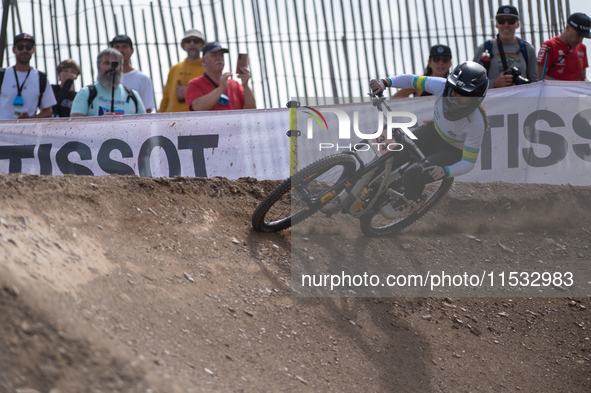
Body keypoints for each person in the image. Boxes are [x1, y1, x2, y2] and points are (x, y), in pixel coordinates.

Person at [324, 62, 488, 219]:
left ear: (475, 98)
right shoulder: (441, 85)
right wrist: (385, 82)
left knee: (413, 173)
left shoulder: (475, 124)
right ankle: (342, 197)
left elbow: (469, 162)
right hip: (433, 132)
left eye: (463, 96)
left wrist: (446, 171)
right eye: (454, 91)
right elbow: (412, 80)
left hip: (452, 151)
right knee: (386, 154)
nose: (454, 98)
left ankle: (409, 200)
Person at [473, 5, 538, 88]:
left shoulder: (528, 49)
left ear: (517, 24)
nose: (506, 25)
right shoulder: (484, 49)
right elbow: (473, 83)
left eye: (511, 21)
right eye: (501, 21)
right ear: (496, 24)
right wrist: (494, 83)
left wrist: (523, 84)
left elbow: (535, 83)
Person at [70, 48, 145, 116]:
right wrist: (102, 123)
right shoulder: (85, 93)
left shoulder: (133, 96)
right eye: (106, 63)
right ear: (98, 66)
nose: (111, 67)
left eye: (115, 64)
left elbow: (143, 124)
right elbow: (75, 124)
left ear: (121, 67)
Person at [185, 42, 256, 111]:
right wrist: (221, 88)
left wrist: (245, 85)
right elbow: (197, 107)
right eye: (214, 55)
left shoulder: (235, 84)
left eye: (221, 55)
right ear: (204, 60)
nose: (219, 58)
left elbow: (252, 109)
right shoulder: (195, 84)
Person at [0, 33, 56, 120]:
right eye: (20, 47)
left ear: (33, 50)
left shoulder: (41, 78)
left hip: (27, 132)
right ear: (13, 50)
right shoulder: (2, 75)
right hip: (2, 130)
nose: (24, 50)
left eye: (28, 47)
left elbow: (48, 111)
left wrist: (30, 119)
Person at [159, 29, 207, 112]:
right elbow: (166, 97)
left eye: (196, 41)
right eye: (188, 41)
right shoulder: (175, 68)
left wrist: (188, 93)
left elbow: (212, 97)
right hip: (170, 120)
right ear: (184, 45)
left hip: (195, 121)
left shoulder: (207, 70)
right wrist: (159, 118)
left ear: (202, 45)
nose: (192, 43)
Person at [537, 12, 590, 81]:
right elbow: (540, 75)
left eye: (583, 36)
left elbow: (583, 78)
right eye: (578, 35)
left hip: (576, 91)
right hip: (554, 91)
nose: (580, 40)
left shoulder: (582, 48)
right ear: (568, 27)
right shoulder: (549, 45)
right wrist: (564, 87)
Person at [109, 34, 155, 112]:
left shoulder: (143, 79)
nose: (120, 50)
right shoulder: (104, 78)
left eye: (124, 47)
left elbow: (147, 111)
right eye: (117, 47)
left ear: (132, 50)